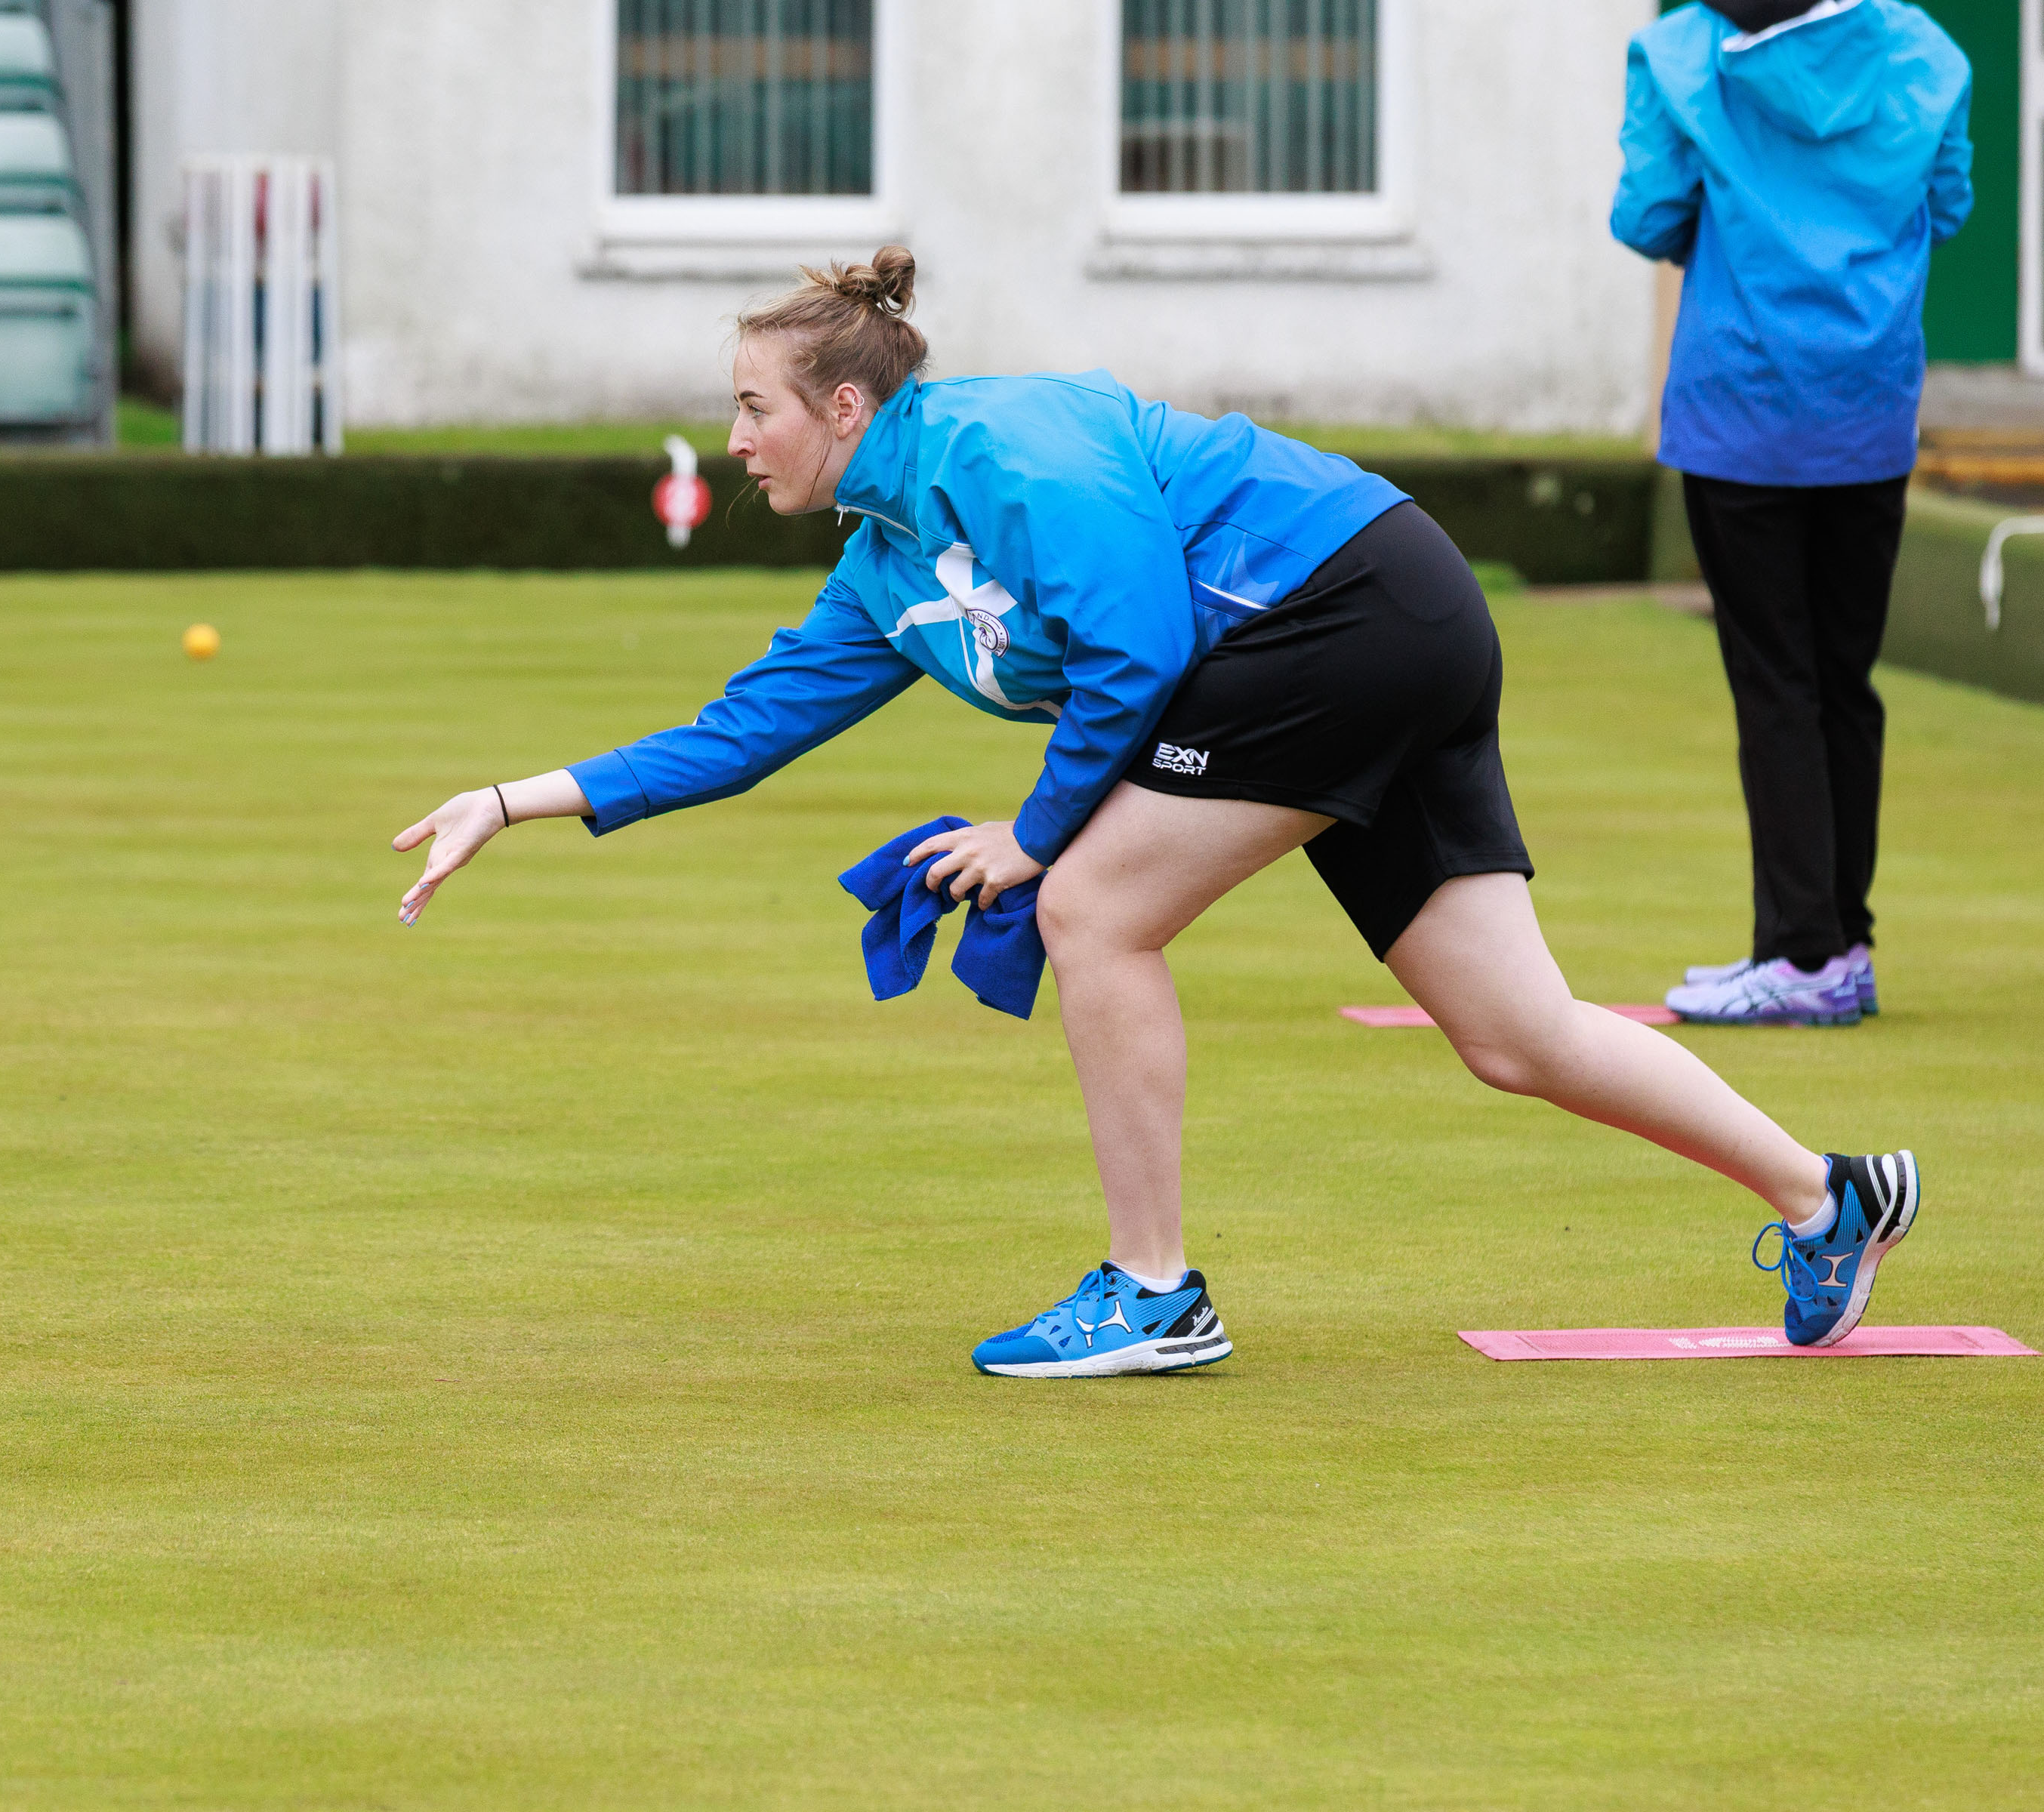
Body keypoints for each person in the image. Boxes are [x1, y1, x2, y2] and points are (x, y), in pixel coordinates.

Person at [392, 248, 1920, 1375]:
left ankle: (1155, 1290)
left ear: (842, 405)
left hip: (1354, 608)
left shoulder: (1003, 445)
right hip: (1367, 633)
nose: (735, 443)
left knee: (1087, 907)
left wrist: (1034, 835)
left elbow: (1139, 646)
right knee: (1512, 1032)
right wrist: (515, 801)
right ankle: (1825, 1194)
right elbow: (742, 736)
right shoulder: (879, 564)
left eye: (750, 411)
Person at [1613, 0, 1974, 1027]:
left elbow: (1647, 216)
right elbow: (1947, 204)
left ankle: (1802, 956)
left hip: (1744, 402)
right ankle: (1841, 946)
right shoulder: (1926, 52)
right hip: (1868, 404)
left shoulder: (1677, 50)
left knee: (1776, 682)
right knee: (1842, 682)